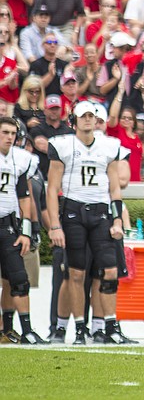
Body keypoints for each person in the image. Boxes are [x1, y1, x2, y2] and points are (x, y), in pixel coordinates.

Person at [45, 101, 126, 345]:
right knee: (75, 274)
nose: (88, 120)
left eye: (91, 116)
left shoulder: (108, 146)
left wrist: (118, 218)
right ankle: (79, 328)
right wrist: (54, 225)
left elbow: (114, 187)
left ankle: (110, 325)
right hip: (73, 211)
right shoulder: (63, 146)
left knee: (110, 271)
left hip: (101, 212)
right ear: (74, 120)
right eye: (83, 116)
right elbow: (52, 189)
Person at [0, 117, 46, 344]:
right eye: (5, 132)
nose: (9, 137)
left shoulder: (20, 159)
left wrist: (26, 231)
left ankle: (17, 330)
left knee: (17, 279)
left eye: (12, 133)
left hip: (8, 225)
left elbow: (24, 197)